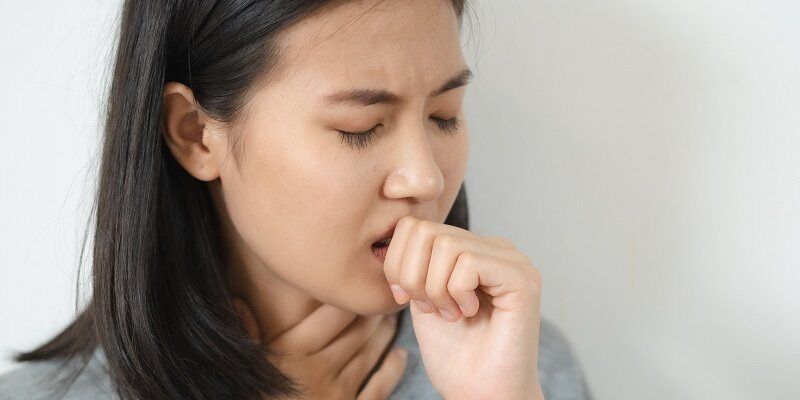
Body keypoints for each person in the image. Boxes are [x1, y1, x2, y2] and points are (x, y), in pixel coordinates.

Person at [0, 0, 593, 399]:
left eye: (443, 116)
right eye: (359, 127)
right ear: (194, 133)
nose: (426, 179)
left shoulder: (515, 364)